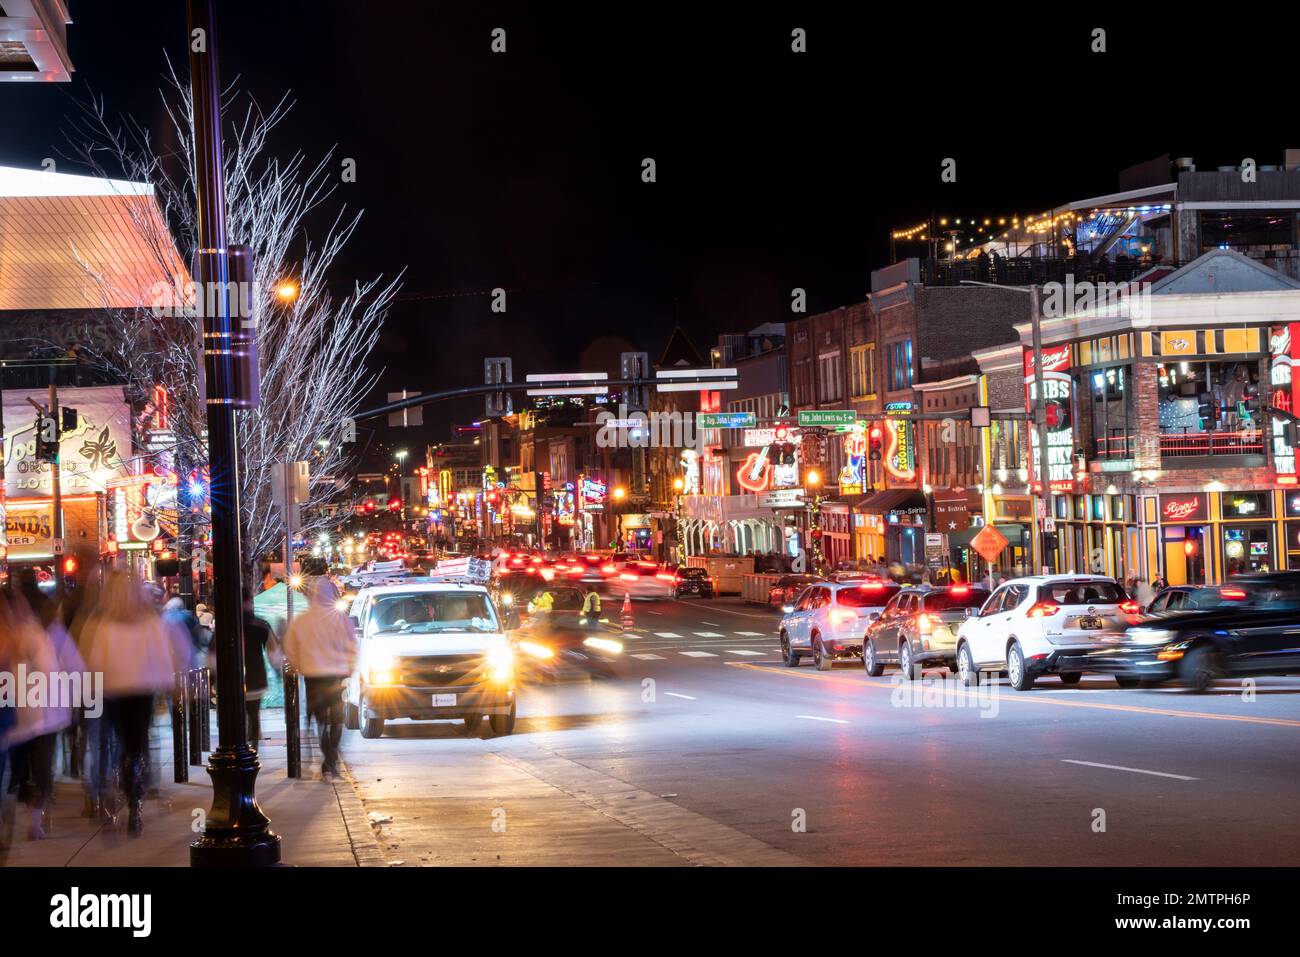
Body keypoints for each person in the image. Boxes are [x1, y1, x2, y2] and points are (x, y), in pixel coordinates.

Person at [80, 572, 187, 834]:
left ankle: (113, 786)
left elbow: (94, 663)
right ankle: (135, 803)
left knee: (114, 742)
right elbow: (162, 658)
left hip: (112, 691)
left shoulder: (104, 625)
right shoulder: (149, 623)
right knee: (135, 748)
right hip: (141, 692)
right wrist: (167, 686)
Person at [283, 578, 357, 778]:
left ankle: (329, 758)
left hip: (313, 676)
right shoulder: (341, 619)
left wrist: (299, 664)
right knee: (337, 719)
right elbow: (353, 647)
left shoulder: (302, 620)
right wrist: (350, 668)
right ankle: (331, 758)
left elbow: (290, 648)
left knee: (321, 720)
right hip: (337, 676)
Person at [241, 588, 275, 748]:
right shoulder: (260, 625)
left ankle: (241, 746)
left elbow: (212, 653)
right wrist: (278, 670)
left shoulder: (225, 624)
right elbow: (273, 651)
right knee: (254, 715)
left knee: (236, 716)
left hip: (232, 679)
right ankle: (253, 748)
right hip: (255, 676)